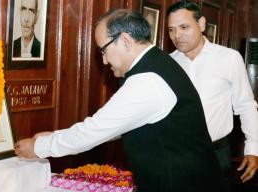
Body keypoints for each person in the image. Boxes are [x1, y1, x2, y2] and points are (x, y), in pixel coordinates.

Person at [15, 9, 226, 191]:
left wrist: (39, 147)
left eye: (104, 51)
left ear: (125, 40)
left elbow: (93, 131)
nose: (104, 61)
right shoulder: (156, 64)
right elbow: (115, 124)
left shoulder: (147, 81)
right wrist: (55, 136)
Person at [166, 0, 258, 189]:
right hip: (174, 154)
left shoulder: (229, 58)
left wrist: (253, 149)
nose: (177, 35)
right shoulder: (167, 64)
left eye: (184, 27)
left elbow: (246, 105)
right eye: (171, 30)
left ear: (201, 24)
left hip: (215, 154)